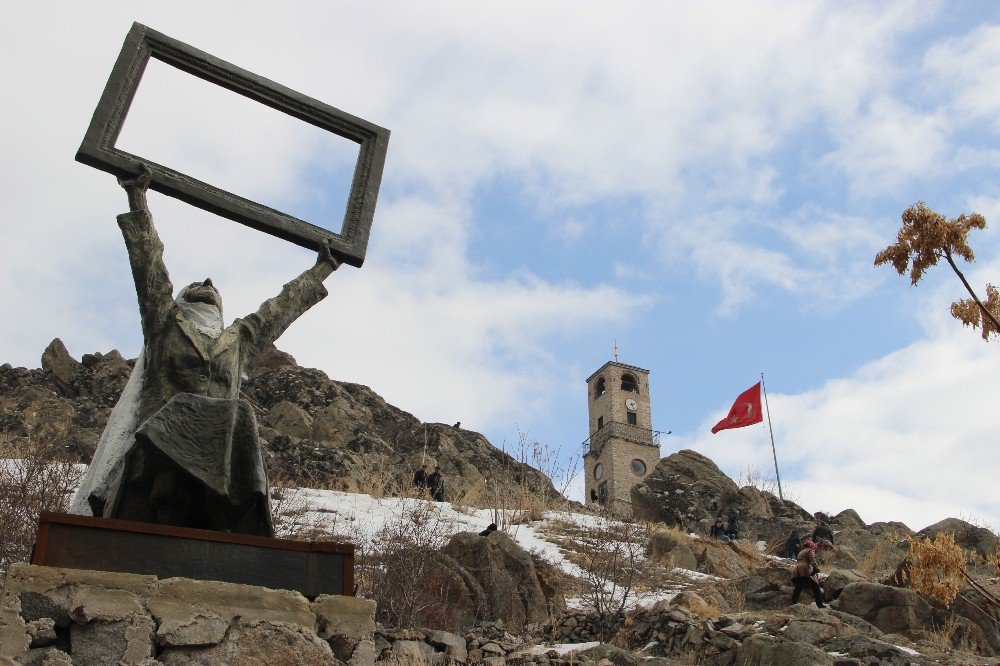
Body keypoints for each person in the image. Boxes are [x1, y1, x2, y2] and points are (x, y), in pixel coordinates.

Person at [69, 167, 340, 536]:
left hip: (216, 464)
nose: (208, 283)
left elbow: (278, 310)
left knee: (238, 415)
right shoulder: (166, 326)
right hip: (156, 459)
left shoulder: (239, 341)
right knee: (195, 414)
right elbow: (148, 266)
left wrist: (321, 269)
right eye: (196, 284)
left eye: (214, 287)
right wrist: (137, 198)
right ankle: (170, 483)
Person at [790, 541, 826, 608]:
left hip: (797, 570)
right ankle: (820, 604)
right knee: (816, 588)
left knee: (798, 588)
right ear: (811, 546)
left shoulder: (801, 551)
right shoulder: (810, 550)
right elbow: (812, 559)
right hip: (805, 570)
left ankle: (792, 603)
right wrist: (816, 567)